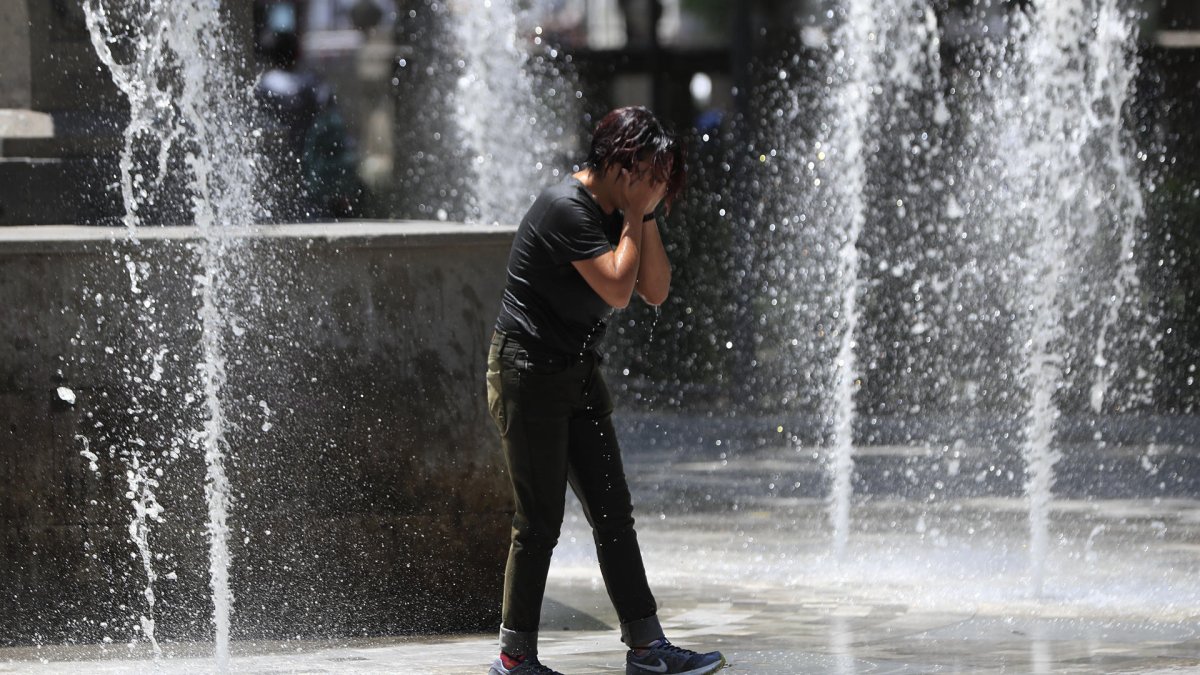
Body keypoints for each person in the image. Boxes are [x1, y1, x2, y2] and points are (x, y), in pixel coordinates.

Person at [485, 107, 726, 675]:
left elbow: (656, 290)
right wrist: (637, 214)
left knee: (614, 512)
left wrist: (643, 216)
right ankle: (514, 659)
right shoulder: (566, 208)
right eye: (656, 174)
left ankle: (646, 648)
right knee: (539, 521)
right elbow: (619, 288)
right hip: (527, 372)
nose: (661, 189)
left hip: (575, 371)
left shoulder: (623, 209)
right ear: (625, 163)